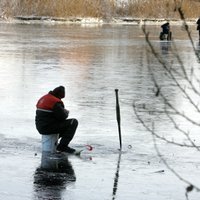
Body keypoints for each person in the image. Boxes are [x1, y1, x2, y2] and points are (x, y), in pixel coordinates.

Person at [35, 86, 78, 153]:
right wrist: (66, 112)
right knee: (73, 122)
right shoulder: (55, 102)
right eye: (61, 97)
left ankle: (54, 142)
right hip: (48, 128)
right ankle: (62, 146)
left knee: (62, 124)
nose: (61, 99)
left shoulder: (44, 98)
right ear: (59, 95)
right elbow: (62, 117)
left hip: (40, 127)